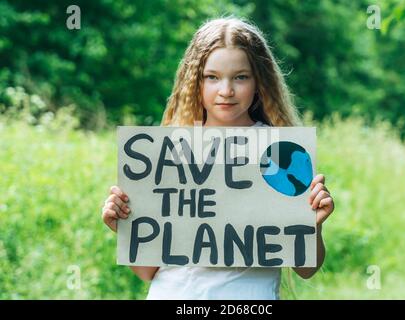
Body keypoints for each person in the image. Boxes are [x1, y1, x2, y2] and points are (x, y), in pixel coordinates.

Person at [101, 17, 335, 300]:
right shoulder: (170, 151)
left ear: (259, 82)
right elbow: (148, 271)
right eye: (212, 77)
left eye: (240, 77)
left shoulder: (281, 153)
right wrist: (125, 227)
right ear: (195, 81)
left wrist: (314, 226)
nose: (226, 91)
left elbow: (306, 269)